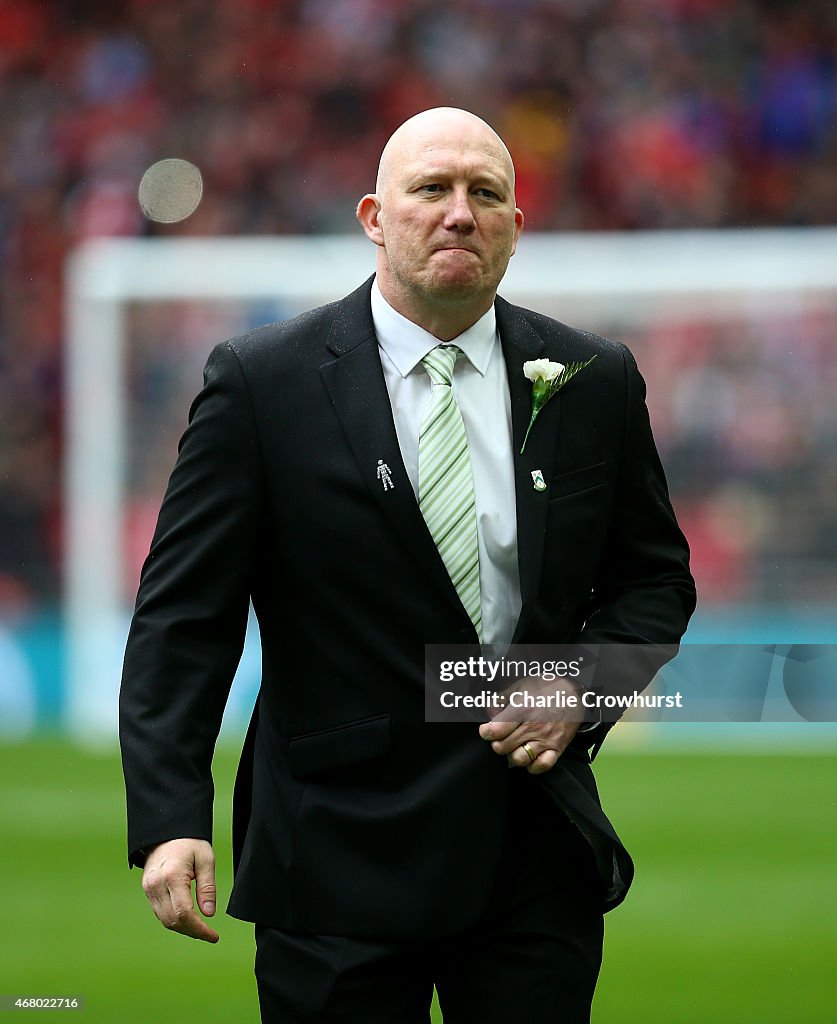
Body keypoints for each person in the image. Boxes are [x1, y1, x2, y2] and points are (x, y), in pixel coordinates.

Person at [119, 107, 696, 1023]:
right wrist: (169, 813)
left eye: (485, 193)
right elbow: (183, 618)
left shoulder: (593, 378)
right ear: (373, 218)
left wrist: (580, 684)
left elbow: (656, 579)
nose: (458, 213)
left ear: (515, 225)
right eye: (430, 189)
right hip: (334, 853)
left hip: (532, 847)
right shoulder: (262, 381)